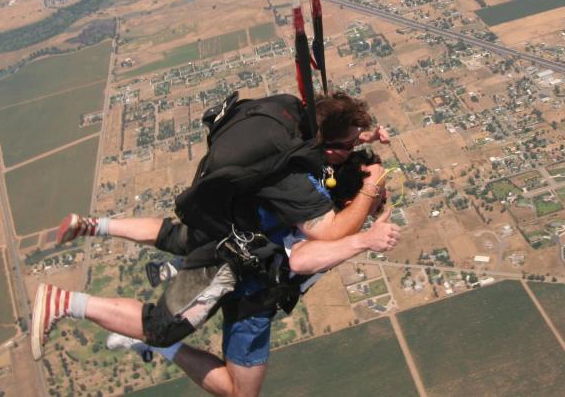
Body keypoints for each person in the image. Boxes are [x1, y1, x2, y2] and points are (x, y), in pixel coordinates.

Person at [31, 93, 393, 373]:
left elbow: (334, 126)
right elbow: (328, 233)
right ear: (329, 146)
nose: (353, 150)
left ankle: (95, 225)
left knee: (174, 236)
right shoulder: (292, 179)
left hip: (221, 216)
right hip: (225, 257)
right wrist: (369, 201)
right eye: (349, 146)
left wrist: (366, 137)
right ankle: (64, 303)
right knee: (161, 328)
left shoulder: (293, 119)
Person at [107, 151, 398, 397]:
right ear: (352, 201)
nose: (383, 191)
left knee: (173, 237)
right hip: (254, 300)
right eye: (378, 188)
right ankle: (156, 341)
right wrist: (364, 240)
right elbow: (300, 260)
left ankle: (153, 323)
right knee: (240, 392)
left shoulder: (319, 204)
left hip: (243, 278)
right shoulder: (331, 227)